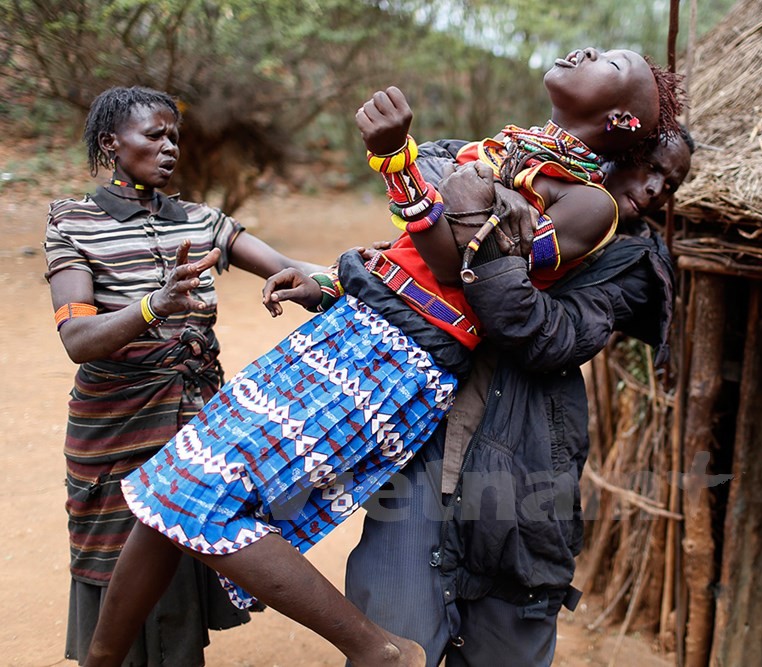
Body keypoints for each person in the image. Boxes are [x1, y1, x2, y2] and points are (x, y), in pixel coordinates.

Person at [82, 48, 681, 667]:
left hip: (397, 360)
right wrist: (340, 278)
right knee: (167, 488)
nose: (586, 52)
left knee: (202, 500)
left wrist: (399, 162)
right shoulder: (505, 148)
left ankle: (376, 651)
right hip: (352, 328)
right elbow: (409, 251)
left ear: (621, 119)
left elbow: (460, 269)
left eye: (609, 63)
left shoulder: (592, 208)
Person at [343, 128, 694, 665]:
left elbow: (540, 332)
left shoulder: (632, 264)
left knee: (506, 635)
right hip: (427, 446)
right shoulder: (518, 169)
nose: (653, 189)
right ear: (607, 152)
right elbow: (435, 168)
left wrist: (486, 223)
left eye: (670, 183)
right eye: (649, 166)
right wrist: (492, 192)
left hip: (526, 468)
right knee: (394, 639)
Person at [44, 86, 328, 666]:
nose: (170, 146)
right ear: (111, 143)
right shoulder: (74, 222)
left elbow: (293, 270)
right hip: (116, 432)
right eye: (154, 135)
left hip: (195, 430)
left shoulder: (202, 222)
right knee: (119, 574)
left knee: (177, 571)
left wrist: (323, 283)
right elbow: (77, 338)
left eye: (174, 135)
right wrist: (155, 306)